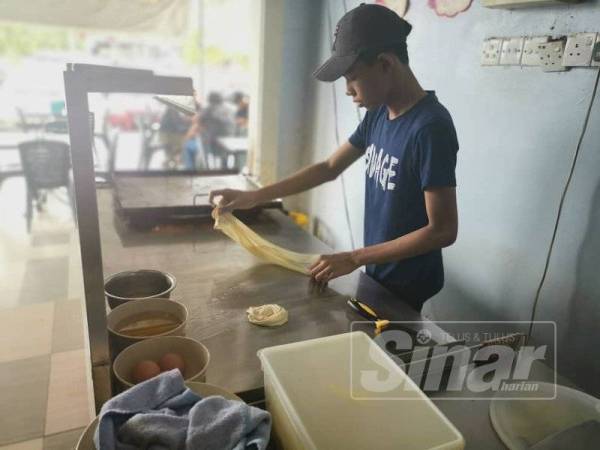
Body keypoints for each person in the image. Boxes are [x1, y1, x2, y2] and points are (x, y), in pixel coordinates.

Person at [209, 4, 459, 312]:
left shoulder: (430, 127)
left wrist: (354, 257)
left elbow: (443, 230)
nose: (347, 91)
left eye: (352, 77)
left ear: (385, 63)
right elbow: (329, 167)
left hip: (408, 279)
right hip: (378, 270)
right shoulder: (379, 114)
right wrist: (256, 196)